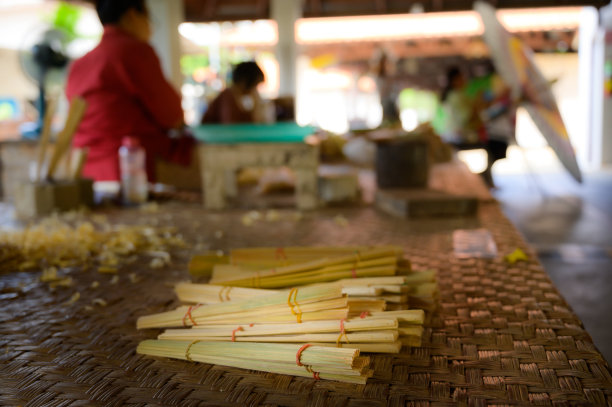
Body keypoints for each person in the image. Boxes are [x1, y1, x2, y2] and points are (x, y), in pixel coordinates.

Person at [66, 0, 195, 183]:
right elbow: (172, 116)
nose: (151, 27)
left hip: (84, 171)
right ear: (133, 15)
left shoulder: (78, 64)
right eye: (150, 19)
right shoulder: (135, 51)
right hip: (129, 170)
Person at [201, 61, 265, 124]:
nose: (255, 90)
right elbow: (231, 125)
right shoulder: (227, 98)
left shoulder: (239, 98)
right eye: (255, 85)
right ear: (244, 82)